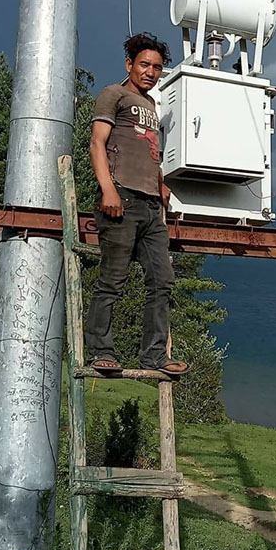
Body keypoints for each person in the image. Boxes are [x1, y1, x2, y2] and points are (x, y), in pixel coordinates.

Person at [85, 32, 190, 376]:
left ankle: (154, 355)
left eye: (157, 67)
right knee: (112, 280)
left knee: (162, 281)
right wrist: (108, 190)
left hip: (149, 207)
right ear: (129, 64)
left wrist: (160, 184)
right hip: (121, 198)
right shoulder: (113, 95)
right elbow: (97, 143)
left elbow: (147, 150)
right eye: (144, 64)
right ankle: (101, 350)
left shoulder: (151, 106)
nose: (151, 72)